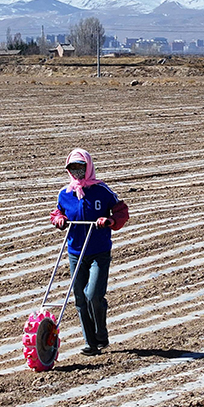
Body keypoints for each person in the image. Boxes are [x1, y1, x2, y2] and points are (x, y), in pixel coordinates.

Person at [49, 149, 129, 356]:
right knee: (79, 298)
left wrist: (109, 221)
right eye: (72, 168)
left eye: (80, 167)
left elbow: (120, 210)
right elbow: (58, 211)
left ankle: (101, 335)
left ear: (88, 167)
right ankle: (90, 343)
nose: (76, 172)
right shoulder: (65, 193)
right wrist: (58, 220)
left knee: (92, 294)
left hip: (98, 251)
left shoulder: (101, 190)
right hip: (75, 251)